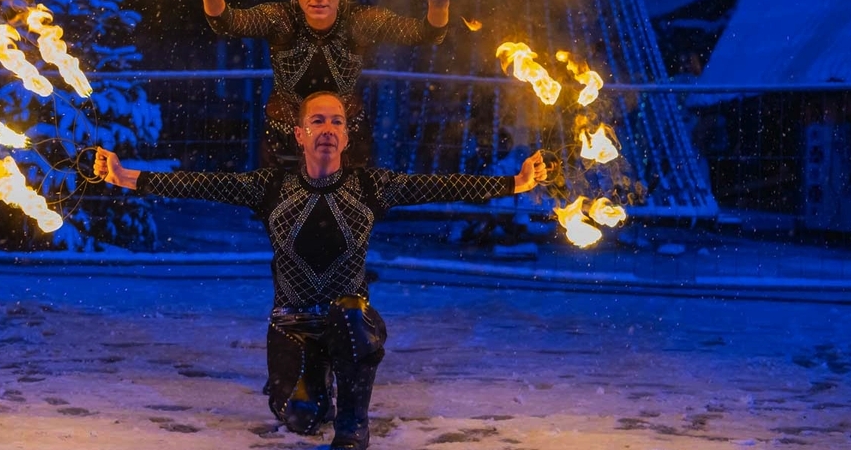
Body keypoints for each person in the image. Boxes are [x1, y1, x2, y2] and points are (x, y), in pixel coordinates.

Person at [94, 91, 546, 450]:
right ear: (299, 134)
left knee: (351, 317)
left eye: (336, 122)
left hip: (347, 320)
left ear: (347, 137)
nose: (327, 129)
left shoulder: (372, 185)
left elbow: (441, 184)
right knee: (297, 418)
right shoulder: (270, 186)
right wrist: (125, 176)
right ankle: (316, 388)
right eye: (317, 121)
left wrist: (515, 183)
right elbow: (200, 183)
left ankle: (353, 429)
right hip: (292, 322)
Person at [199, 0, 455, 167]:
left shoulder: (359, 22)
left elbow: (426, 34)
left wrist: (439, 5)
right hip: (285, 143)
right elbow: (228, 23)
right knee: (285, 213)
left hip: (346, 143)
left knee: (347, 213)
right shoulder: (280, 19)